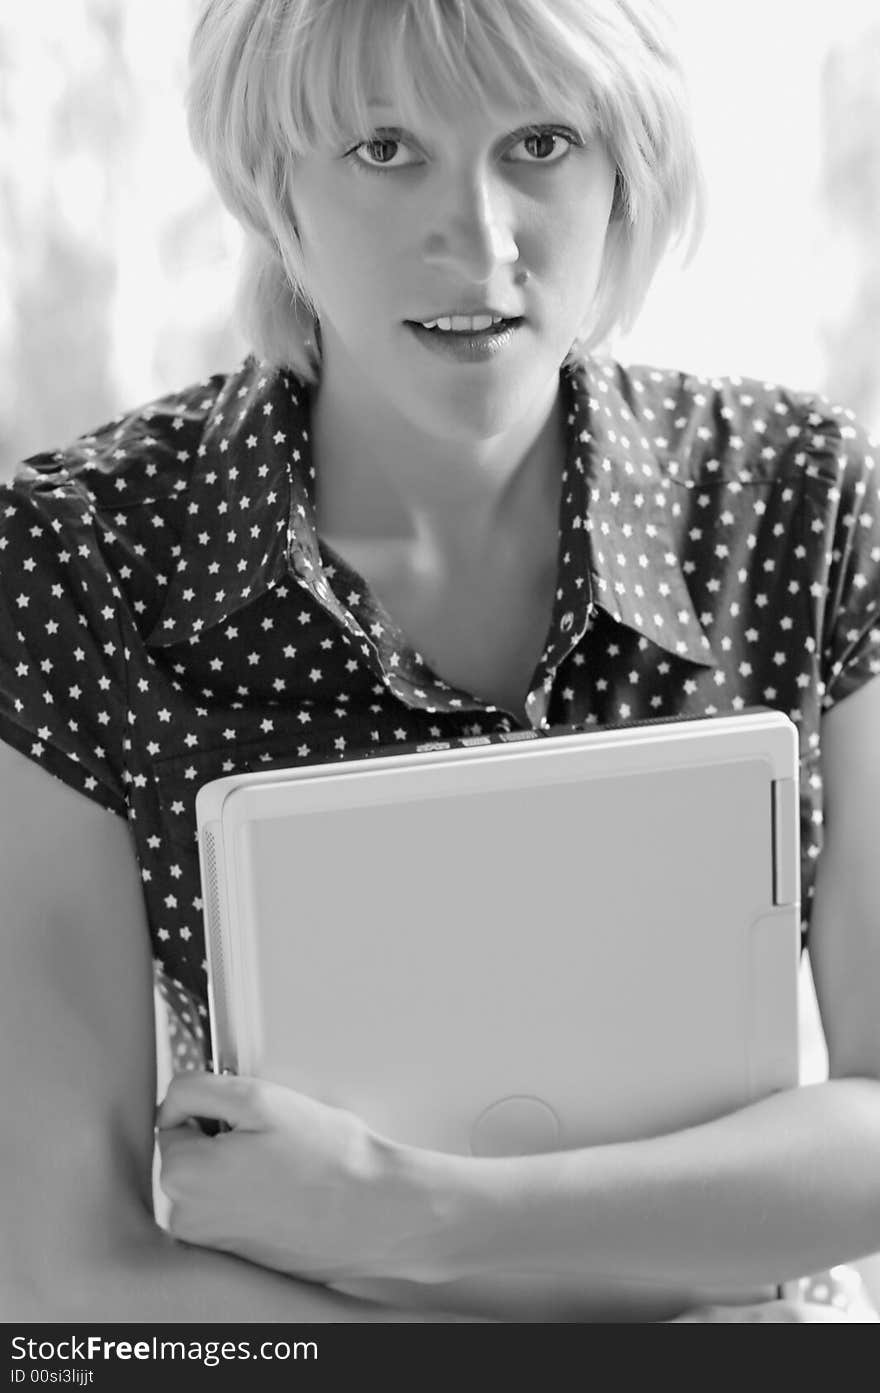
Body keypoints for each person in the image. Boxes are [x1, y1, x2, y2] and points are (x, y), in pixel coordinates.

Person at [2, 0, 879, 1323]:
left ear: (626, 167)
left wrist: (418, 1212)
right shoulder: (80, 556)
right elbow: (63, 1268)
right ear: (270, 180)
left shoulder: (808, 499)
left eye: (538, 141)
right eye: (382, 149)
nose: (475, 240)